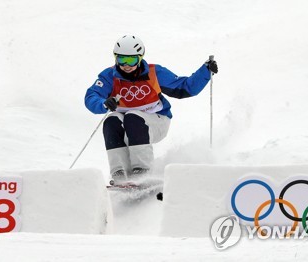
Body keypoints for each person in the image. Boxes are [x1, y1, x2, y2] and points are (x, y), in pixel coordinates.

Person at [84, 35, 218, 185]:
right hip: (126, 127)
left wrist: (205, 71)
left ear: (140, 58)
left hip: (156, 122)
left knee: (132, 117)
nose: (126, 65)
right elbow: (92, 95)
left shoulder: (154, 73)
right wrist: (103, 103)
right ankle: (120, 173)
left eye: (132, 60)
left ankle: (142, 171)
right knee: (111, 120)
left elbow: (184, 88)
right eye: (122, 60)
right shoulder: (109, 76)